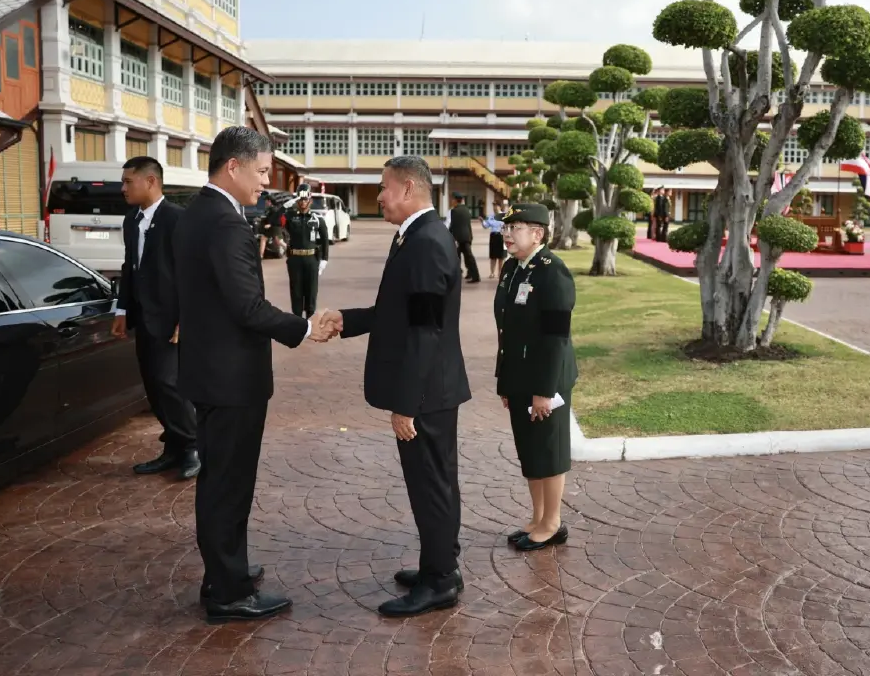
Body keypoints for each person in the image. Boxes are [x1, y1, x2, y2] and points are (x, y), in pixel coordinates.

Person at [173, 127, 337, 624]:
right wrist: (304, 327)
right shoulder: (225, 224)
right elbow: (247, 306)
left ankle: (225, 571)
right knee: (228, 483)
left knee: (220, 479)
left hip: (209, 371)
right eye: (263, 172)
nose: (267, 183)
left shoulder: (194, 215)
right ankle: (228, 592)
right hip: (231, 378)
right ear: (233, 167)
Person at [319, 156, 471, 618]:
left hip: (426, 392)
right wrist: (348, 320)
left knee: (431, 485)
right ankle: (439, 563)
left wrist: (405, 405)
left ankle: (440, 580)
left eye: (383, 188)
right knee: (433, 482)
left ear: (407, 189)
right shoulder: (414, 236)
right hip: (431, 388)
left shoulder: (426, 243)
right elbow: (398, 313)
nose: (379, 197)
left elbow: (426, 331)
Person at [494, 203, 578, 552]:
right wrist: (505, 382)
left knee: (548, 450)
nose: (508, 234)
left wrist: (544, 391)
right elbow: (507, 331)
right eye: (506, 228)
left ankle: (553, 522)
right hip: (519, 376)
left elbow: (557, 337)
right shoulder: (513, 268)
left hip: (547, 380)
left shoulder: (552, 272)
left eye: (516, 228)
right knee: (529, 450)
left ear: (538, 234)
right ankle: (538, 517)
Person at [111, 156, 199, 480]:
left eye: (127, 181)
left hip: (171, 320)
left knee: (169, 383)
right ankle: (174, 447)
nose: (123, 188)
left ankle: (192, 446)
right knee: (153, 387)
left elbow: (194, 275)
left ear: (150, 181)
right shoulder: (130, 220)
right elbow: (129, 268)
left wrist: (185, 318)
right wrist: (122, 310)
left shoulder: (178, 220)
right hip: (142, 318)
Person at [281, 183, 329, 318]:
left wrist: (324, 260)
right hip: (295, 259)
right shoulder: (289, 217)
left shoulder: (317, 219)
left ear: (310, 200)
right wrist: (285, 206)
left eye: (305, 199)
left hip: (311, 260)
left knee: (311, 293)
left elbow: (325, 240)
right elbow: (273, 221)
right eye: (300, 199)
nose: (303, 202)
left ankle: (310, 322)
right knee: (296, 292)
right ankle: (297, 323)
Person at [447, 191, 480, 283]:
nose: (451, 201)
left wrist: (449, 235)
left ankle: (474, 276)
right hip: (467, 236)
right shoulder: (466, 209)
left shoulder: (454, 211)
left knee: (459, 258)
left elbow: (453, 225)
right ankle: (470, 274)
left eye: (452, 199)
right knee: (467, 257)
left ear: (455, 200)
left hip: (459, 238)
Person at [482, 199, 510, 279]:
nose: (494, 208)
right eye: (493, 206)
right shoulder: (491, 217)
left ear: (499, 206)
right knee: (493, 256)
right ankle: (492, 273)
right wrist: (482, 222)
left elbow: (507, 227)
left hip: (501, 236)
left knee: (501, 257)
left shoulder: (504, 216)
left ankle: (500, 273)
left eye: (496, 206)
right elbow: (485, 226)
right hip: (493, 236)